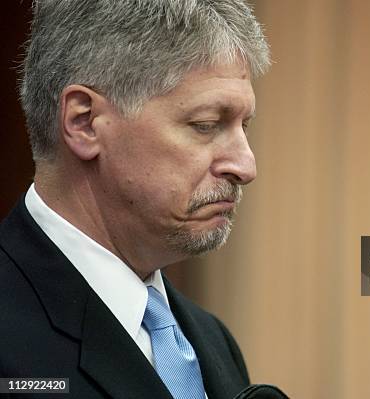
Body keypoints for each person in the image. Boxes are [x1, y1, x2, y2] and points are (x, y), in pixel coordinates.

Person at [0, 1, 276, 398]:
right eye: (205, 125)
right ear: (84, 122)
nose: (245, 166)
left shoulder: (212, 341)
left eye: (243, 126)